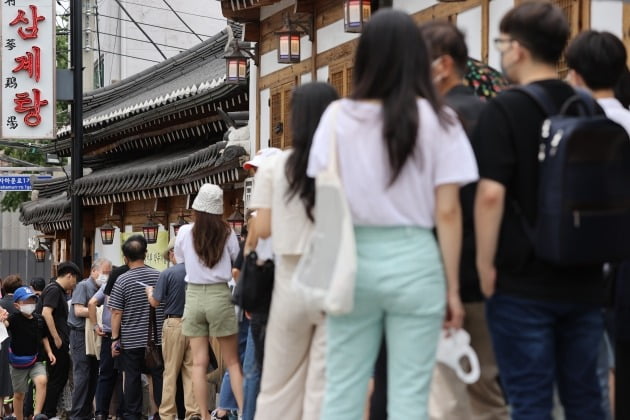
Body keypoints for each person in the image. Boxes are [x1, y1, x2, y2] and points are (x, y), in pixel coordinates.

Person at [307, 9, 477, 419]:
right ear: (417, 58)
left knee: (342, 390)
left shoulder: (336, 118)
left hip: (352, 264)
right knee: (411, 396)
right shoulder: (440, 120)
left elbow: (323, 200)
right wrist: (453, 289)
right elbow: (448, 211)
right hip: (417, 261)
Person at [473, 3, 607, 419]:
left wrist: (484, 266)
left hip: (522, 281)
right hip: (584, 276)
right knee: (585, 399)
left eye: (501, 44)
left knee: (530, 401)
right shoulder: (587, 107)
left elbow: (490, 195)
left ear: (517, 49)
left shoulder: (504, 109)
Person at [423, 21, 508, 420]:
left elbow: (442, 206)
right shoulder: (493, 114)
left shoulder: (433, 121)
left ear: (441, 66)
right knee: (485, 384)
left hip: (441, 266)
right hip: (491, 265)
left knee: (445, 391)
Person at [249, 82, 338, 420]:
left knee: (278, 384)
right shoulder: (343, 164)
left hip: (290, 279)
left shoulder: (275, 167)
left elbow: (263, 228)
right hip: (333, 275)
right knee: (323, 384)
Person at [564, 30, 630, 420]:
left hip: (579, 261)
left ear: (574, 74)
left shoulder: (567, 126)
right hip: (624, 259)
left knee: (589, 369)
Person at [175, 183, 242, 420]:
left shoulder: (185, 232)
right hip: (219, 295)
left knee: (199, 363)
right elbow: (236, 259)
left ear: (197, 207)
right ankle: (244, 413)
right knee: (232, 362)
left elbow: (180, 258)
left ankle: (203, 415)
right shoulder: (227, 232)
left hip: (193, 296)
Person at [108, 235, 164, 420]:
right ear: (145, 254)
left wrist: (115, 339)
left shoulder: (122, 280)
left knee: (132, 377)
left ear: (125, 258)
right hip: (157, 339)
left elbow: (116, 312)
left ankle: (133, 415)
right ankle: (161, 413)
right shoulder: (159, 276)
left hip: (131, 340)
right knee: (158, 376)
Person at [146, 239, 201, 420]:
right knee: (191, 371)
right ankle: (193, 412)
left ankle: (167, 414)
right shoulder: (198, 272)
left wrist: (149, 292)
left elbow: (155, 302)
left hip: (174, 323)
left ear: (172, 253)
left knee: (170, 371)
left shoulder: (168, 273)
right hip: (196, 324)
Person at [37, 261, 81, 419]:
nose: (75, 283)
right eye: (75, 279)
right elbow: (46, 313)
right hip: (55, 343)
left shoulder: (57, 290)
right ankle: (48, 413)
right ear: (69, 276)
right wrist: (56, 338)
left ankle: (49, 412)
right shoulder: (54, 290)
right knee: (57, 378)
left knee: (59, 378)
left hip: (58, 341)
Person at [69, 258, 112, 420]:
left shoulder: (103, 288)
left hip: (96, 333)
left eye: (109, 273)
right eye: (104, 272)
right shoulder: (83, 286)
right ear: (94, 271)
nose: (106, 276)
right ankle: (77, 414)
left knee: (94, 374)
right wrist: (100, 311)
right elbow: (78, 310)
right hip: (80, 334)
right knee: (83, 375)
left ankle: (87, 413)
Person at [5, 286, 55, 420]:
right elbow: (6, 324)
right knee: (19, 395)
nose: (30, 304)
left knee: (42, 381)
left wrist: (50, 352)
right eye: (26, 301)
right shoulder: (13, 318)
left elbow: (44, 337)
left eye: (32, 300)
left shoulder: (39, 319)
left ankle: (37, 415)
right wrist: (2, 319)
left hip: (35, 359)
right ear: (17, 305)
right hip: (17, 362)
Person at [89, 264, 129, 420]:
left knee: (106, 375)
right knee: (127, 375)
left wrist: (95, 325)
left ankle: (100, 412)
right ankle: (123, 412)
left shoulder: (106, 286)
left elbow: (91, 303)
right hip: (126, 335)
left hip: (107, 335)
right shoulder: (127, 285)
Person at [0, 275, 22, 418]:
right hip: (18, 347)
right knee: (18, 382)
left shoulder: (1, 304)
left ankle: (4, 413)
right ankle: (15, 413)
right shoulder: (20, 306)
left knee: (2, 381)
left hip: (2, 345)